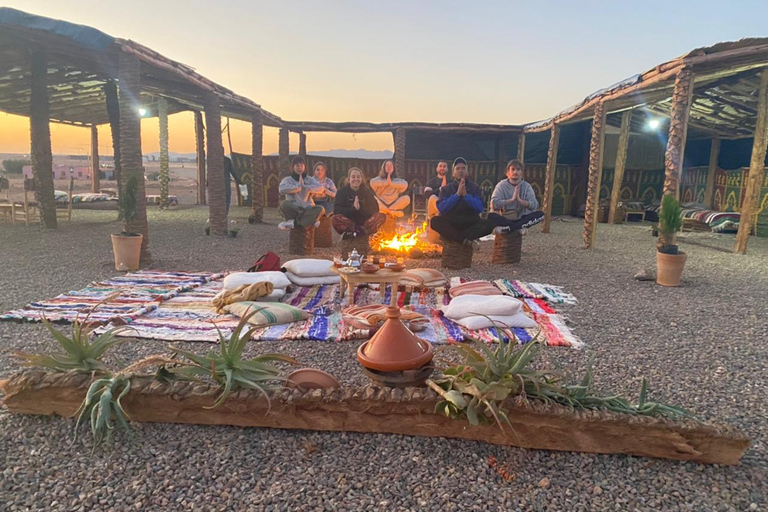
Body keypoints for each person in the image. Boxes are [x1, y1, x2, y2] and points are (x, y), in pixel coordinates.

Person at [430, 157, 494, 245]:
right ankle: (464, 239)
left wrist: (466, 196)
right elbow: (441, 208)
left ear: (467, 172)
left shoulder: (474, 187)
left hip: (469, 223)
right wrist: (457, 195)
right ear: (453, 173)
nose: (460, 171)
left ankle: (459, 238)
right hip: (451, 222)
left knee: (489, 224)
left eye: (463, 168)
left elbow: (480, 208)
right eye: (458, 169)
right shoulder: (446, 189)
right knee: (435, 221)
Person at [488, 160, 544, 234]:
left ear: (521, 172)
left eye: (518, 169)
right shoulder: (501, 185)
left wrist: (520, 201)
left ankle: (510, 228)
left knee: (541, 215)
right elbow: (493, 204)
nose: (515, 172)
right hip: (504, 218)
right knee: (490, 216)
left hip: (521, 218)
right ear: (508, 172)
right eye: (513, 169)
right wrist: (511, 200)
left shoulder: (526, 186)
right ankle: (518, 228)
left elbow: (534, 205)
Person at [332, 167, 386, 240]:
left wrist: (361, 208)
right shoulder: (342, 192)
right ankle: (354, 231)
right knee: (336, 219)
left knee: (381, 216)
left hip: (364, 223)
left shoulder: (367, 191)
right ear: (349, 179)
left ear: (361, 179)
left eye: (358, 177)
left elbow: (375, 209)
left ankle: (359, 232)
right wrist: (353, 209)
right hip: (349, 222)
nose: (356, 179)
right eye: (353, 177)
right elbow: (337, 210)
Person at [278, 156, 325, 230]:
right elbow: (281, 190)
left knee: (320, 209)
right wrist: (298, 187)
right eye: (297, 166)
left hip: (307, 208)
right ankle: (308, 221)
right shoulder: (287, 180)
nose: (299, 168)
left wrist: (306, 187)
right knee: (284, 204)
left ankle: (294, 223)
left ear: (304, 167)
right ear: (293, 167)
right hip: (295, 208)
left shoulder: (309, 179)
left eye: (301, 166)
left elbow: (321, 188)